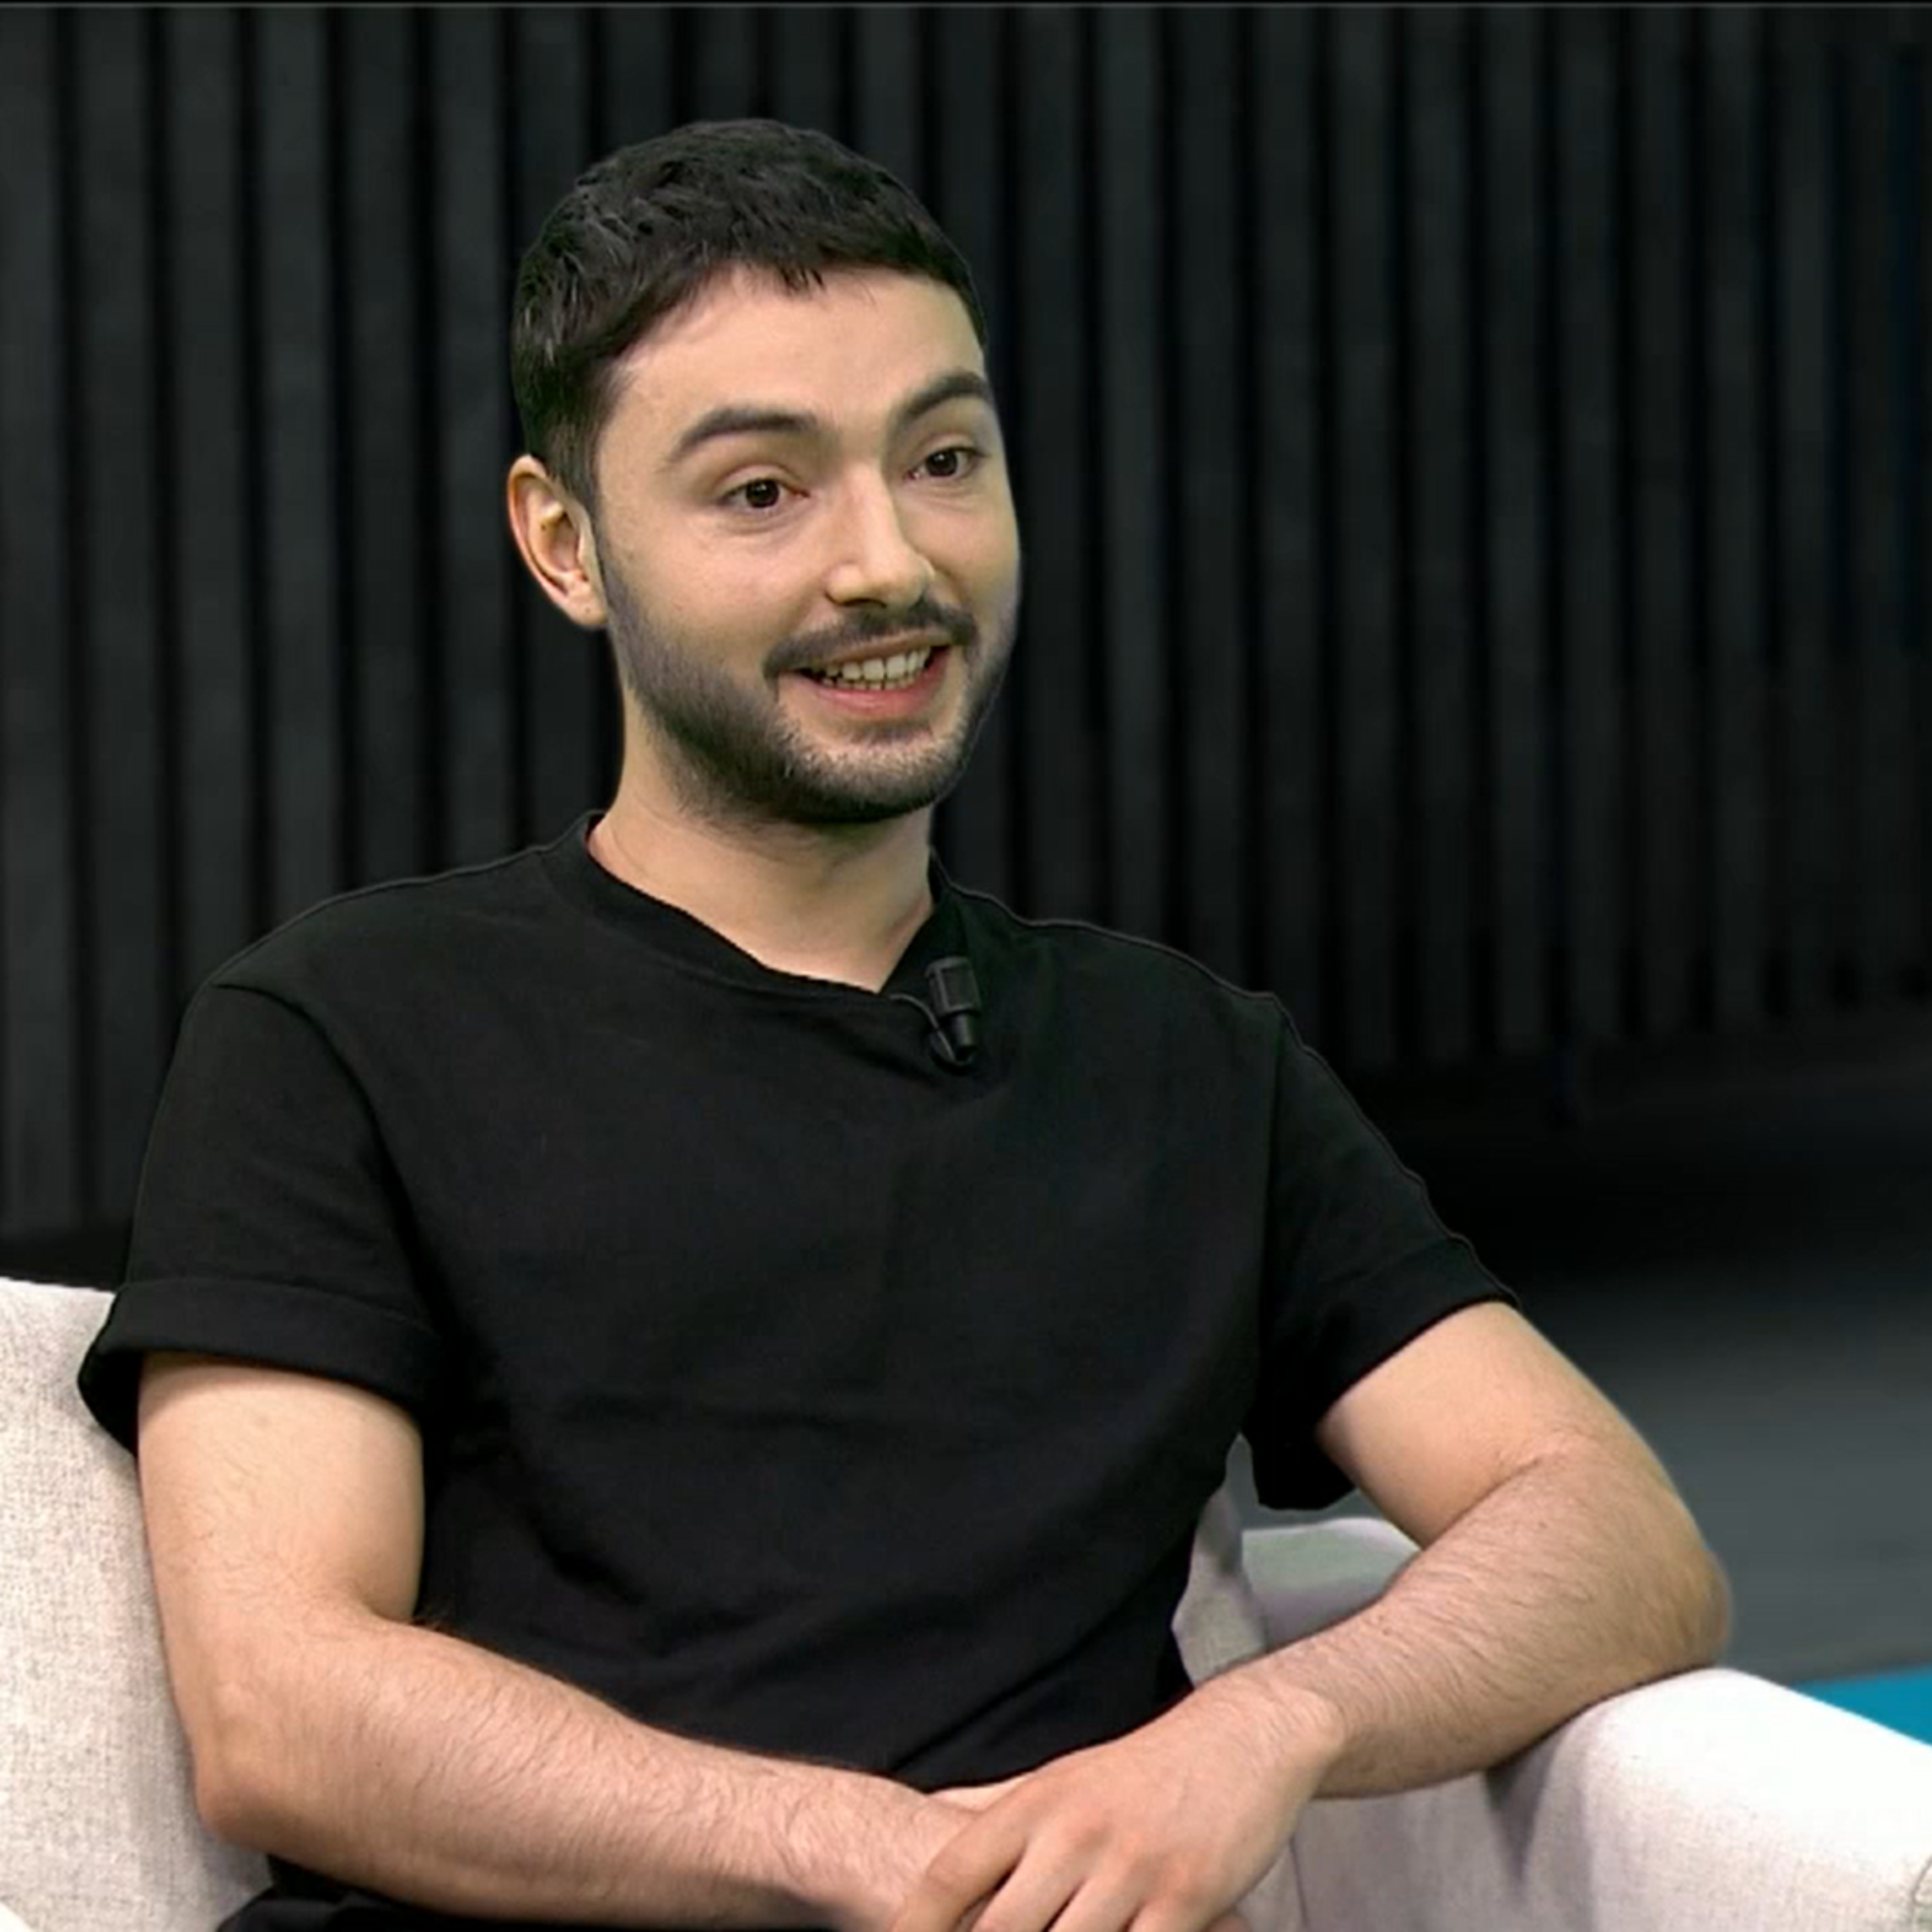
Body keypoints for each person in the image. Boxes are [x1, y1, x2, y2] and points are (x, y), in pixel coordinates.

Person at [77, 118, 1730, 1932]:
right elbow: (282, 1711)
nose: (886, 562)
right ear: (565, 543)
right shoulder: (340, 1030)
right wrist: (874, 1858)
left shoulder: (1182, 1062)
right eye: (761, 491)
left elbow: (1613, 1528)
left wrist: (1266, 1728)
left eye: (943, 459)